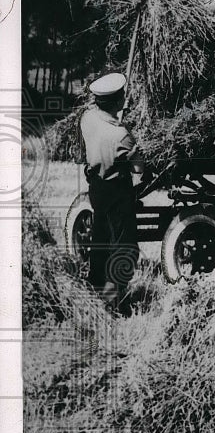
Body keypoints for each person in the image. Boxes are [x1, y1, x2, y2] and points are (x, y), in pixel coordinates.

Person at [79, 73, 142, 311]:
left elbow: (96, 115)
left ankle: (94, 287)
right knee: (125, 246)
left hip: (96, 186)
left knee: (101, 237)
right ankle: (114, 300)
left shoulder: (87, 119)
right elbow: (138, 167)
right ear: (117, 102)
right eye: (122, 97)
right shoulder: (121, 135)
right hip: (118, 190)